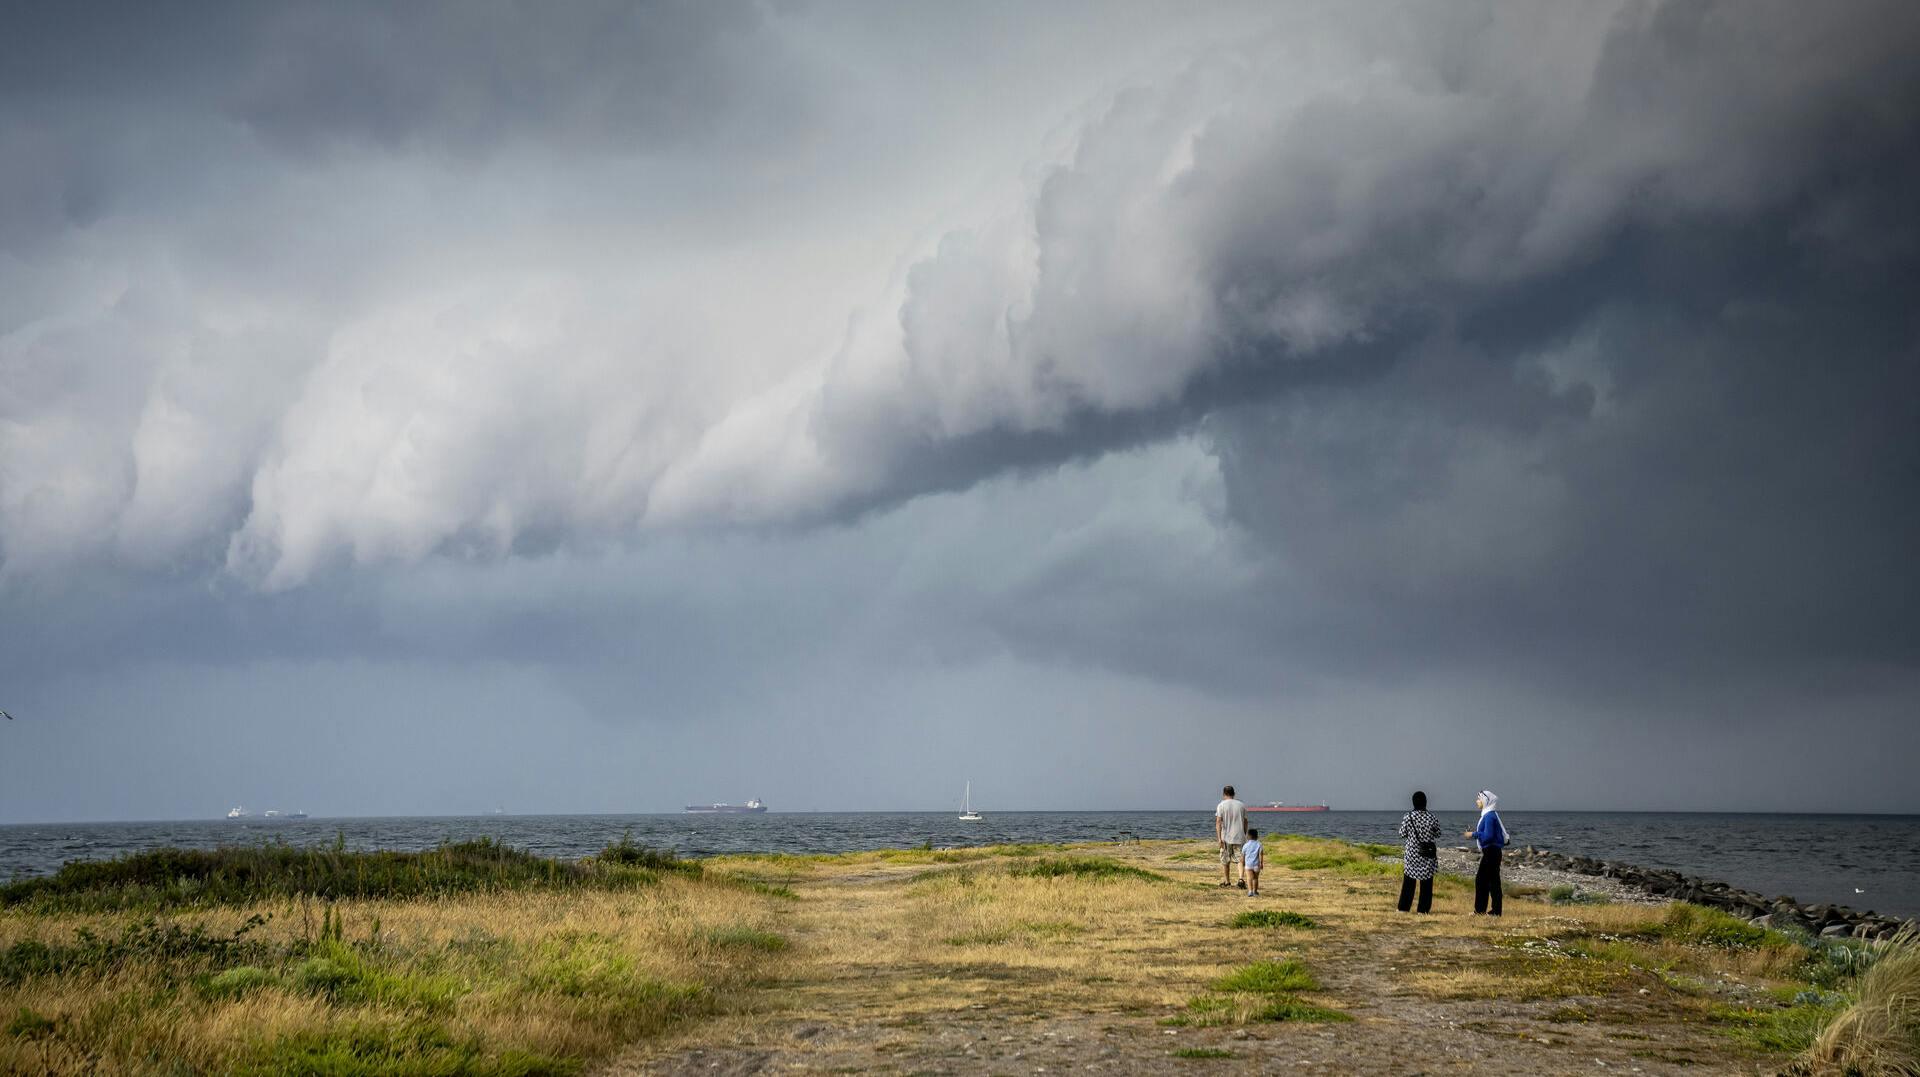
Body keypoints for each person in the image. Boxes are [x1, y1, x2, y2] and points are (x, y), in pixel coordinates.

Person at [1462, 789, 1510, 916]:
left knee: (1482, 881)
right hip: (1493, 851)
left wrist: (1473, 834)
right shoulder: (1491, 814)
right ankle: (1494, 911)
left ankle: (1481, 910)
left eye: (1478, 799)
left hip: (1491, 851)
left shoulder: (1489, 816)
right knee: (1492, 881)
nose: (1476, 801)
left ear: (1485, 801)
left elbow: (1488, 836)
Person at [1397, 790, 1438, 913]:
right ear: (1425, 802)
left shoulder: (1408, 817)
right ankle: (1423, 910)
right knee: (1426, 884)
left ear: (1413, 802)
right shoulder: (1432, 817)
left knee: (1409, 882)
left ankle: (1403, 908)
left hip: (1412, 854)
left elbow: (1402, 833)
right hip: (1427, 854)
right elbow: (1438, 833)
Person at [1215, 785, 1248, 888]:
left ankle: (1227, 881)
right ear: (1234, 794)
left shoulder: (1221, 805)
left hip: (1226, 837)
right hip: (1239, 836)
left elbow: (1218, 822)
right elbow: (1245, 821)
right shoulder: (1241, 805)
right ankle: (1241, 879)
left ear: (1224, 794)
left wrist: (1219, 838)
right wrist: (1244, 833)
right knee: (1240, 859)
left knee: (1225, 860)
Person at [1242, 828, 1263, 897]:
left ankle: (1250, 891)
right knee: (1256, 878)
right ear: (1257, 836)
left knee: (1249, 878)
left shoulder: (1245, 845)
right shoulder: (1259, 844)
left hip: (1248, 864)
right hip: (1256, 864)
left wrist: (1243, 863)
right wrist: (1261, 863)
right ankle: (1255, 891)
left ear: (1248, 836)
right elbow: (1260, 854)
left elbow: (1243, 855)